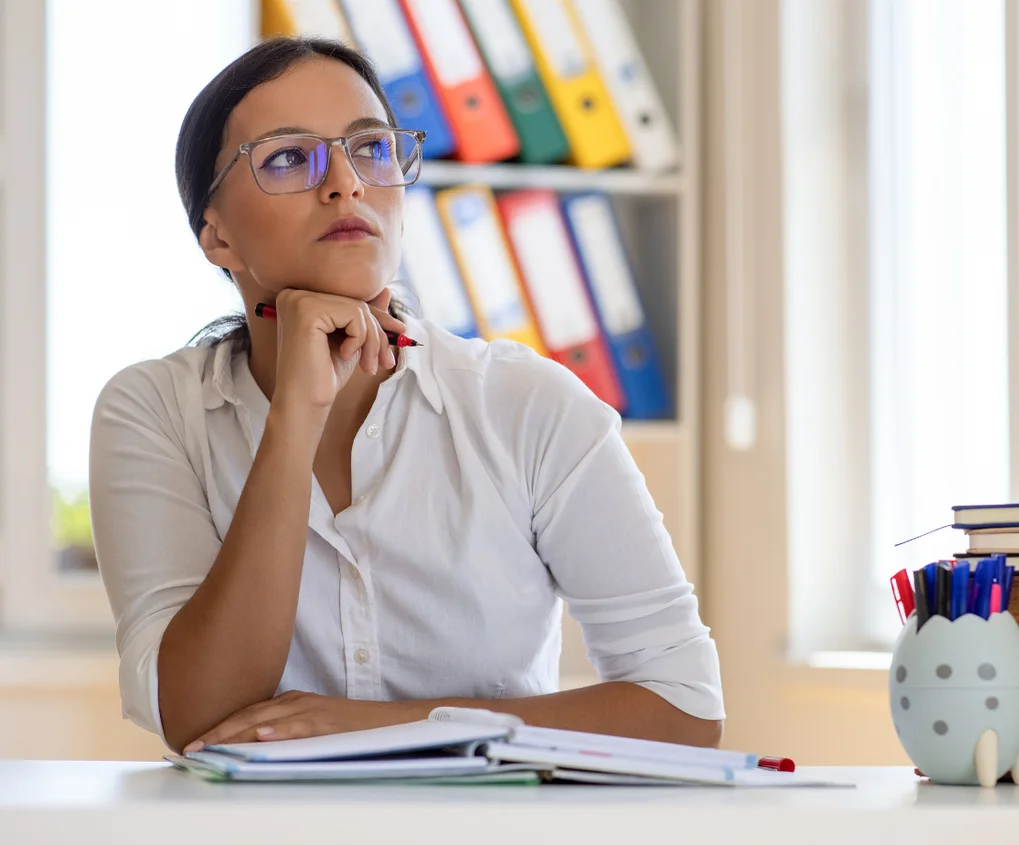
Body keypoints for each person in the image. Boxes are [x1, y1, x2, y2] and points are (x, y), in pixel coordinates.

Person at [88, 37, 723, 755]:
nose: (345, 184)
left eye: (371, 148)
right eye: (289, 158)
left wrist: (382, 726)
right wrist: (295, 415)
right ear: (217, 238)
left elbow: (684, 707)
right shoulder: (153, 410)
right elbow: (200, 713)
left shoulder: (528, 404)